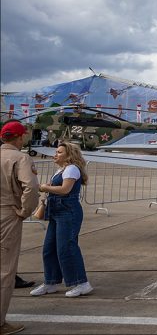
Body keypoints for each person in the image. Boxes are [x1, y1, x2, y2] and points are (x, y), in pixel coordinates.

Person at [30, 142, 93, 298]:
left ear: (69, 155)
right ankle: (50, 281)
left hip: (68, 211)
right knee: (49, 248)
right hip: (58, 211)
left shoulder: (71, 169)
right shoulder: (61, 170)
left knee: (67, 248)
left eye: (59, 152)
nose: (55, 154)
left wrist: (45, 187)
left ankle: (81, 283)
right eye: (56, 152)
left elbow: (65, 190)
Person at [1, 120, 40, 335]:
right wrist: (25, 211)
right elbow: (31, 187)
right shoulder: (20, 158)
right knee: (5, 270)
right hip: (7, 213)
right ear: (19, 137)